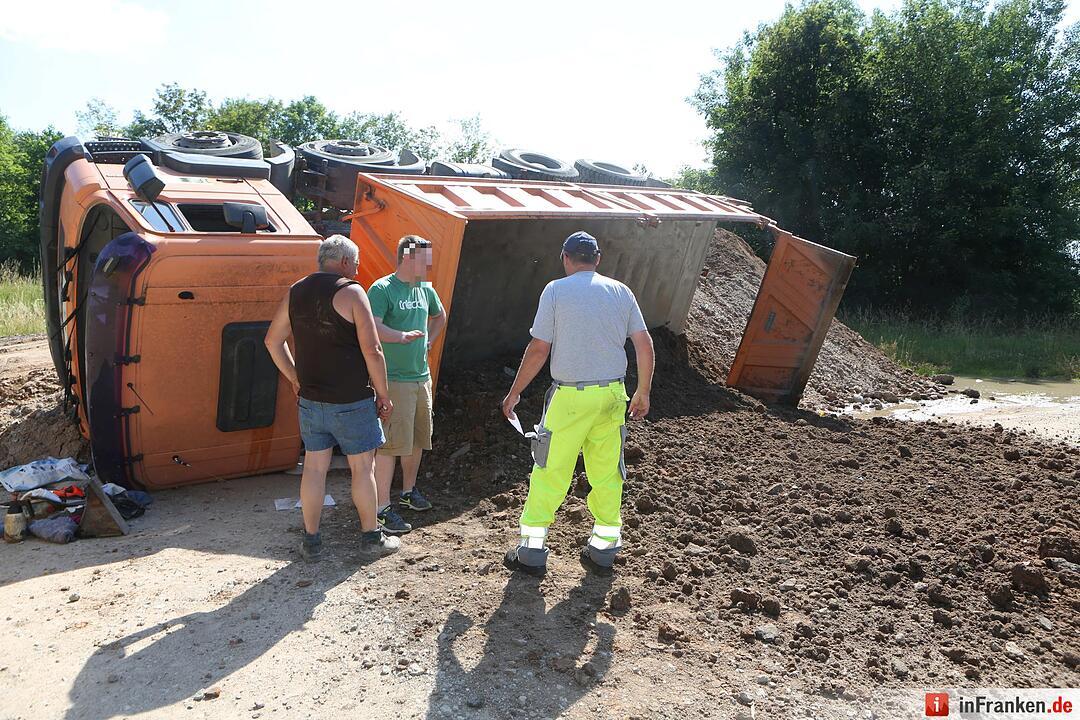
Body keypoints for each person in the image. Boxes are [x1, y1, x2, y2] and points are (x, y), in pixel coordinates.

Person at [501, 230, 654, 577]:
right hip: (613, 396)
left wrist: (514, 392)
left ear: (565, 258)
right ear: (598, 259)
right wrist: (643, 390)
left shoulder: (555, 290)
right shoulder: (621, 291)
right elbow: (644, 344)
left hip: (570, 397)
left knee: (550, 468)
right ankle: (603, 551)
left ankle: (531, 552)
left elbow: (539, 349)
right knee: (606, 473)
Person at [265, 234, 400, 560]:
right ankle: (372, 539)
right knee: (361, 469)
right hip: (352, 401)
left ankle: (310, 542)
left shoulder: (296, 291)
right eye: (355, 262)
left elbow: (272, 341)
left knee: (313, 469)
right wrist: (383, 395)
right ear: (343, 262)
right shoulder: (352, 292)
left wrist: (295, 377)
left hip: (311, 401)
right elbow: (373, 349)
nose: (357, 267)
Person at [368, 235, 447, 535]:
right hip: (394, 379)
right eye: (424, 259)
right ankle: (381, 509)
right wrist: (400, 337)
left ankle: (408, 492)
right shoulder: (382, 288)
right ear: (406, 258)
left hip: (420, 377)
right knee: (388, 446)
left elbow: (440, 317)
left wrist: (428, 341)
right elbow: (372, 325)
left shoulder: (425, 289)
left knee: (416, 439)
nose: (428, 265)